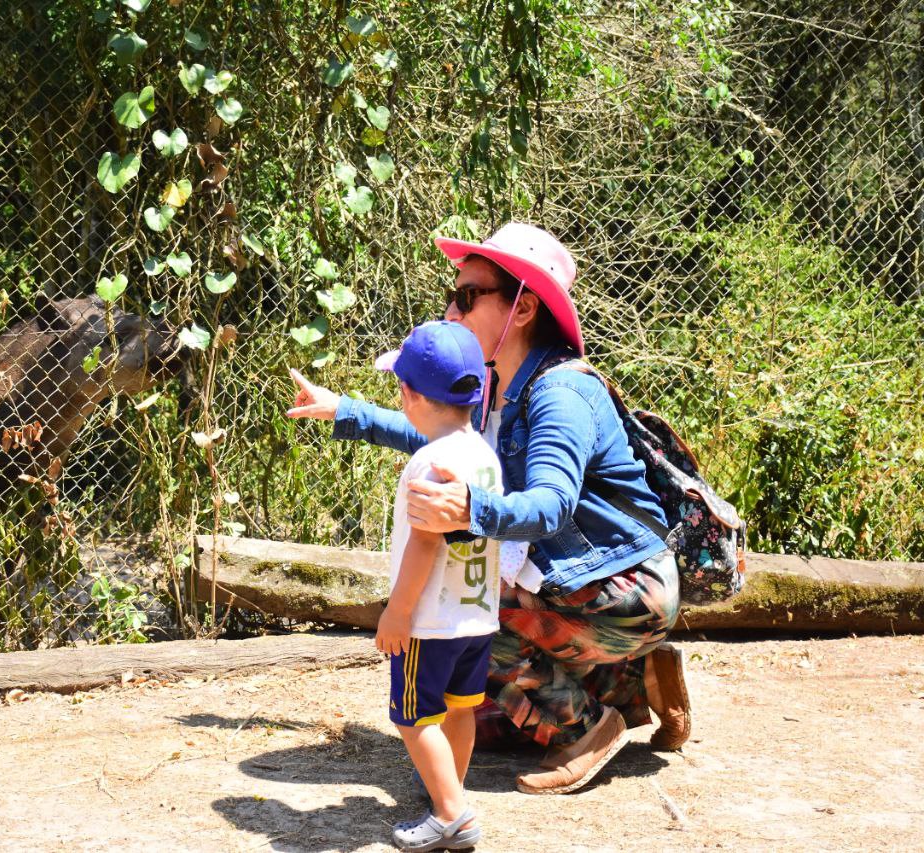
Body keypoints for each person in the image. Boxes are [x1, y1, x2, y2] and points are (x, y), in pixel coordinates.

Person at [287, 222, 691, 796]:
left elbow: (550, 508)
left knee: (457, 610)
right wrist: (344, 411)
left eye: (468, 296)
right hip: (579, 585)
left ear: (522, 309)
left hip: (623, 589)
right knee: (485, 719)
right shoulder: (497, 383)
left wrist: (470, 508)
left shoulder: (560, 393)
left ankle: (591, 725)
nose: (451, 310)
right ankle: (632, 681)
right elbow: (436, 433)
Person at [354, 320, 534, 850]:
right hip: (476, 616)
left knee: (411, 717)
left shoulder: (427, 462)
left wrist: (398, 611)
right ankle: (446, 793)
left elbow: (426, 542)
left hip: (429, 622)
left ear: (409, 395)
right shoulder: (483, 455)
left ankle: (453, 813)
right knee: (459, 708)